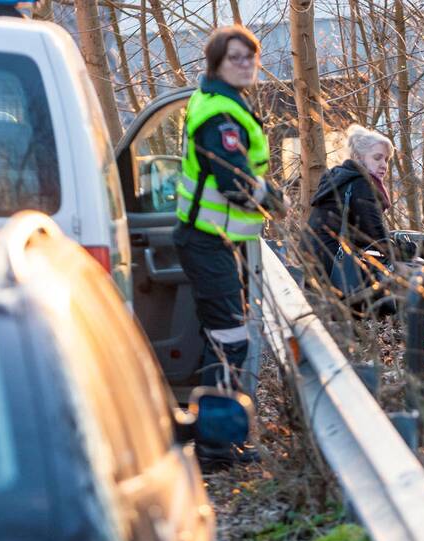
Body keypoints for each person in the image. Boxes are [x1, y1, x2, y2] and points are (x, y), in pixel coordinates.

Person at [174, 25, 285, 466]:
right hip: (209, 241)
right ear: (216, 62)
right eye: (236, 57)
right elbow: (234, 181)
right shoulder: (220, 114)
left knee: (221, 339)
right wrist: (273, 197)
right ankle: (216, 448)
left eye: (250, 57)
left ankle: (217, 438)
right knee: (229, 342)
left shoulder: (223, 102)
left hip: (219, 240)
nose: (245, 64)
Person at [302, 124, 416, 306]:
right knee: (405, 288)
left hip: (314, 264)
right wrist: (403, 251)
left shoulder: (342, 179)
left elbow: (362, 232)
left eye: (386, 160)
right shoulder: (360, 184)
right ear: (358, 157)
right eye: (377, 158)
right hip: (333, 267)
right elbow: (376, 235)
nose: (383, 165)